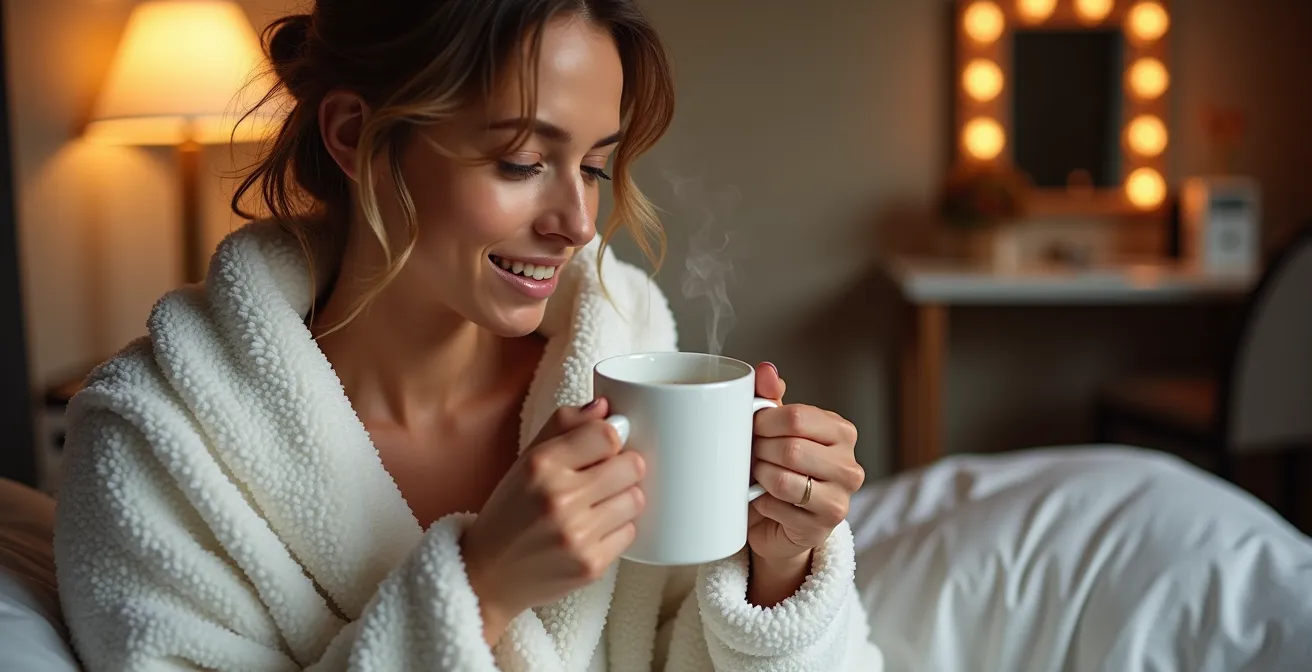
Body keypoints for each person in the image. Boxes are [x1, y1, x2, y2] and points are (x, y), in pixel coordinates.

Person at [52, 1, 881, 669]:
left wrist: (781, 571)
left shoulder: (622, 356)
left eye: (593, 167)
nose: (576, 223)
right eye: (521, 161)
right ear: (355, 135)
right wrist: (480, 588)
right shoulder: (159, 443)